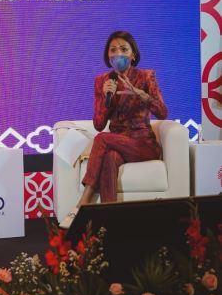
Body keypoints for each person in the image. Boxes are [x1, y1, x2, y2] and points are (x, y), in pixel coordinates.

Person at [59, 31, 168, 229]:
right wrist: (105, 97)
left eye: (124, 49)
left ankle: (83, 202)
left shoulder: (146, 76)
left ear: (133, 55)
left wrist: (142, 95)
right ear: (108, 56)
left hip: (143, 144)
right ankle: (109, 223)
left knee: (102, 139)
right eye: (113, 50)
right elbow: (99, 124)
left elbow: (162, 112)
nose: (118, 54)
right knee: (109, 158)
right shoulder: (102, 81)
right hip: (117, 144)